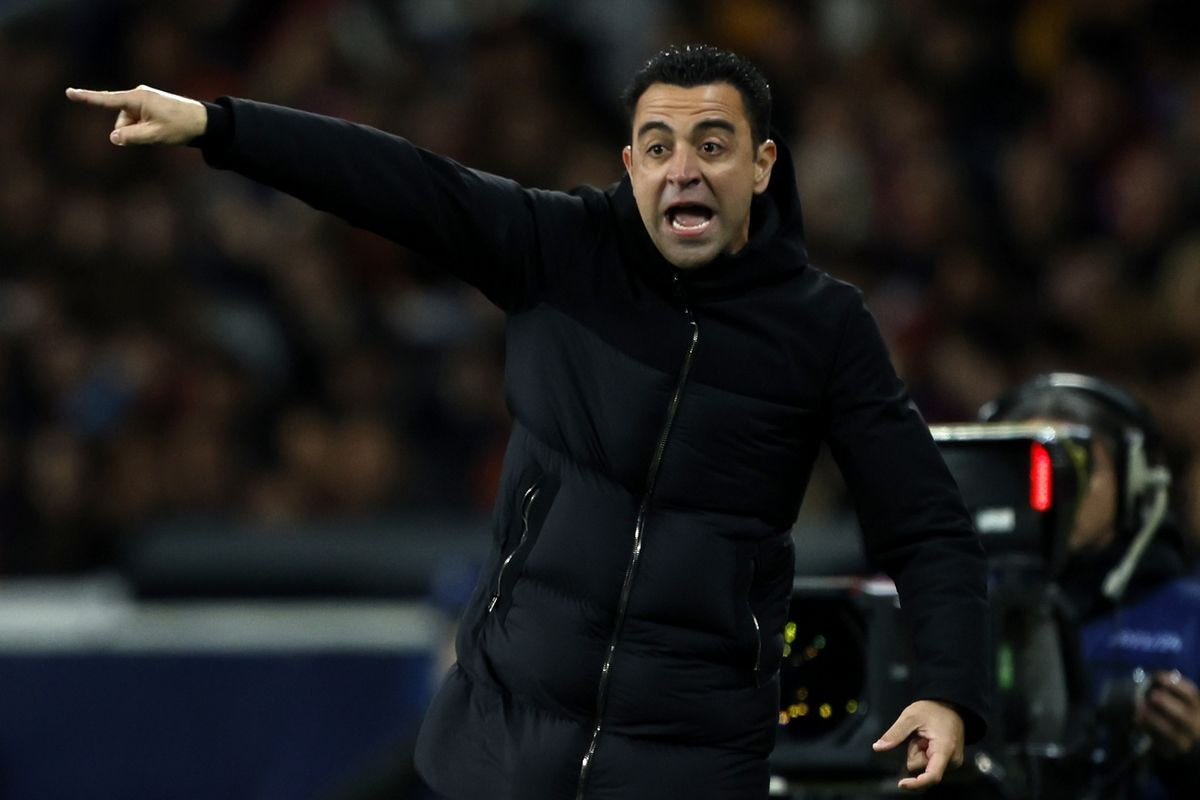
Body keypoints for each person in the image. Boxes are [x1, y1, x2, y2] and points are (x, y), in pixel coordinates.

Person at [67, 45, 989, 800]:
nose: (684, 170)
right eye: (659, 147)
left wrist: (950, 690)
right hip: (497, 755)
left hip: (690, 768)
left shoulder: (824, 328)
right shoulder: (561, 251)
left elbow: (927, 524)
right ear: (631, 166)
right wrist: (219, 126)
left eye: (713, 144)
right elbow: (396, 181)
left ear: (762, 165)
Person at [981, 373, 1200, 799]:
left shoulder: (1190, 616)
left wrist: (1191, 760)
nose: (1052, 493)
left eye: (1076, 471)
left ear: (1134, 481)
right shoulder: (957, 607)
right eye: (1030, 469)